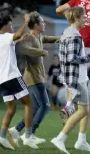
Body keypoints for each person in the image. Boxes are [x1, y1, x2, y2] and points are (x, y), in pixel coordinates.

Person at [51, 7, 90, 154]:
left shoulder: (67, 32)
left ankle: (81, 141)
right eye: (84, 17)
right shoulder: (74, 36)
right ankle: (60, 138)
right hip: (76, 79)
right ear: (77, 18)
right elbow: (72, 58)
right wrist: (89, 58)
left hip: (77, 77)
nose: (86, 19)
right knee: (83, 110)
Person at [8, 12, 60, 145]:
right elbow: (19, 47)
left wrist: (66, 37)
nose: (45, 24)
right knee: (46, 106)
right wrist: (40, 52)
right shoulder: (29, 38)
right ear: (36, 25)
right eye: (42, 22)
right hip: (34, 78)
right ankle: (29, 134)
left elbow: (52, 39)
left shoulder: (39, 37)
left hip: (34, 79)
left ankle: (16, 129)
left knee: (35, 108)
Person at [0, 14, 39, 150]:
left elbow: (13, 41)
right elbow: (14, 35)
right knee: (28, 103)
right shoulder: (6, 36)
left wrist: (20, 38)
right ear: (6, 26)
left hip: (2, 80)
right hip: (12, 76)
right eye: (11, 25)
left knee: (11, 109)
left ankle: (1, 137)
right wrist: (26, 22)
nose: (13, 27)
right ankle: (28, 136)